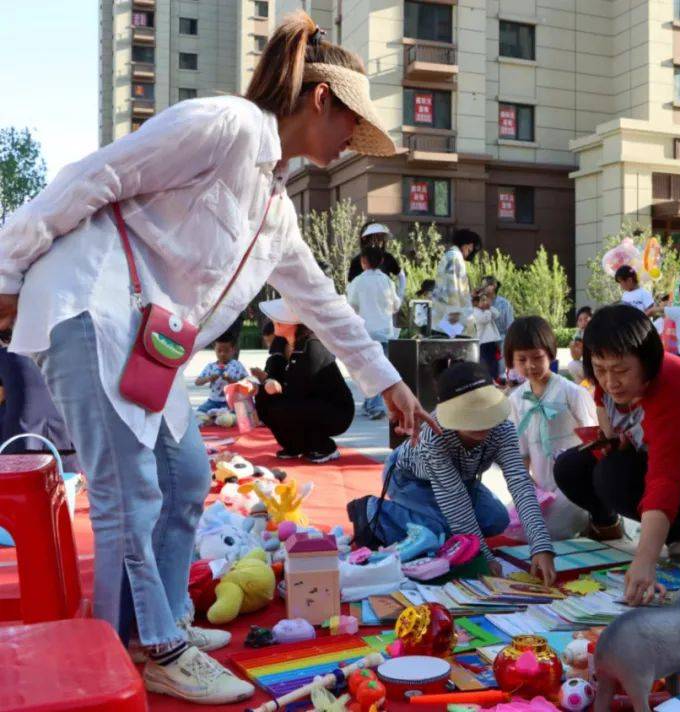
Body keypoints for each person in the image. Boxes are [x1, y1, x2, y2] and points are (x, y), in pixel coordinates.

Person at [0, 11, 433, 703]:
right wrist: (7, 272)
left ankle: (161, 618)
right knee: (128, 494)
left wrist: (389, 384)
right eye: (352, 120)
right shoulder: (226, 125)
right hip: (89, 307)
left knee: (186, 473)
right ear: (322, 99)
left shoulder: (277, 205)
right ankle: (147, 648)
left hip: (149, 345)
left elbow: (323, 303)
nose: (354, 139)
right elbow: (94, 176)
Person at [348, 360, 557, 584]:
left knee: (497, 519)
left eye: (483, 410)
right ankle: (374, 513)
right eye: (469, 413)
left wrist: (541, 547)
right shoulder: (433, 435)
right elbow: (456, 503)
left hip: (461, 480)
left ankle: (426, 523)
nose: (479, 422)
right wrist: (482, 555)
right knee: (442, 529)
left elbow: (520, 484)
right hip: (408, 480)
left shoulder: (502, 429)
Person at [552, 305, 680, 606]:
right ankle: (607, 525)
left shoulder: (673, 384)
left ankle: (677, 534)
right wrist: (612, 439)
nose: (610, 382)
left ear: (647, 361)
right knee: (569, 466)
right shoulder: (606, 380)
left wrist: (645, 560)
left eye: (621, 370)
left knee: (611, 477)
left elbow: (666, 477)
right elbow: (601, 402)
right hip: (640, 455)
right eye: (601, 369)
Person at [506, 317, 597, 540]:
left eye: (537, 357)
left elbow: (594, 441)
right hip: (541, 490)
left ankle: (593, 519)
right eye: (522, 359)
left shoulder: (572, 393)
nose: (530, 365)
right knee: (506, 525)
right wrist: (526, 492)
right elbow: (521, 455)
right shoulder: (516, 399)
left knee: (543, 532)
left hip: (575, 489)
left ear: (550, 353)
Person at [255, 299, 356, 462]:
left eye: (278, 317)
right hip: (303, 401)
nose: (273, 321)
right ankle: (293, 446)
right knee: (263, 398)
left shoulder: (313, 345)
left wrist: (274, 386)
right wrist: (265, 384)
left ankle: (324, 446)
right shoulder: (280, 343)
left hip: (334, 410)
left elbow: (301, 388)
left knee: (288, 406)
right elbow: (272, 371)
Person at [347, 246, 402, 419]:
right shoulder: (387, 281)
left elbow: (351, 306)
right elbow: (396, 306)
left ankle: (375, 405)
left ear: (363, 262)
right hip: (385, 332)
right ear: (382, 261)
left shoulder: (358, 281)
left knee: (368, 370)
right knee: (379, 369)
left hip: (366, 333)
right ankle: (371, 403)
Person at [432, 228, 481, 329]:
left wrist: (469, 295)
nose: (471, 253)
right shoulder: (455, 257)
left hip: (446, 317)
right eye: (472, 249)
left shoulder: (451, 256)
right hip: (450, 321)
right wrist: (455, 316)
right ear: (470, 245)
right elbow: (452, 288)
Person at [194, 337, 248, 416]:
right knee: (198, 414)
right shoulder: (211, 366)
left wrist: (231, 380)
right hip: (213, 401)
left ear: (233, 350)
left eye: (226, 351)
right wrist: (209, 378)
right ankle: (216, 415)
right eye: (219, 351)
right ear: (215, 350)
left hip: (230, 402)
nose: (222, 354)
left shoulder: (237, 365)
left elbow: (246, 382)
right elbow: (197, 382)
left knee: (238, 414)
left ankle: (219, 416)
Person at [473, 290, 504, 381]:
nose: (485, 302)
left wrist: (489, 308)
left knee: (494, 361)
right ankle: (487, 380)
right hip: (483, 342)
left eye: (486, 300)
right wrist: (487, 310)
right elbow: (484, 320)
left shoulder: (487, 310)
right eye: (482, 300)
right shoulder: (475, 312)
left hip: (492, 342)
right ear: (476, 302)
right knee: (485, 363)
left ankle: (495, 378)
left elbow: (497, 314)